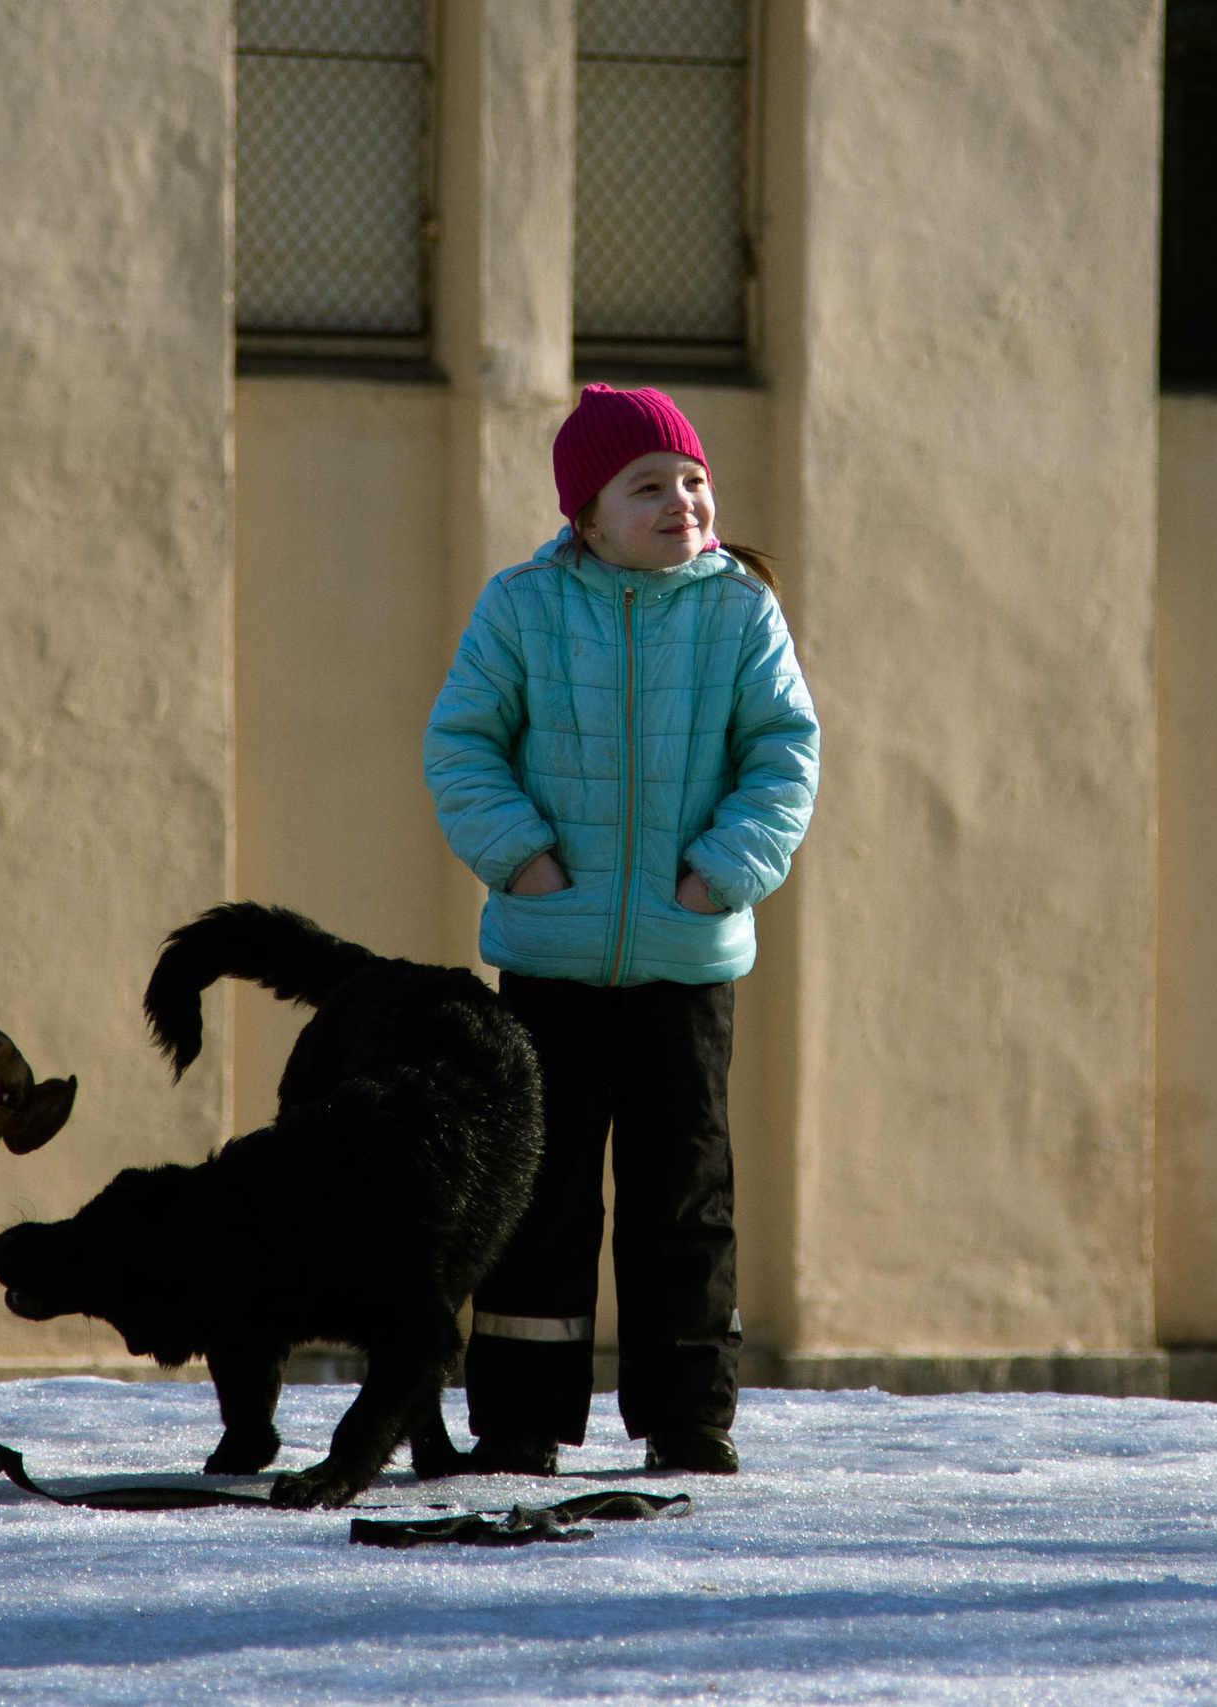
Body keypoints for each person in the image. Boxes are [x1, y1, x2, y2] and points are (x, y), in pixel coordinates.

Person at [422, 383, 820, 1476]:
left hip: (686, 962)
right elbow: (462, 744)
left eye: (692, 478)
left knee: (681, 1199)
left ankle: (689, 1418)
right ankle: (519, 1420)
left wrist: (722, 875)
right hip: (549, 959)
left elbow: (784, 754)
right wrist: (524, 860)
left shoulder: (739, 610)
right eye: (648, 485)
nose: (682, 499)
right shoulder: (523, 606)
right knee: (538, 1196)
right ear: (587, 517)